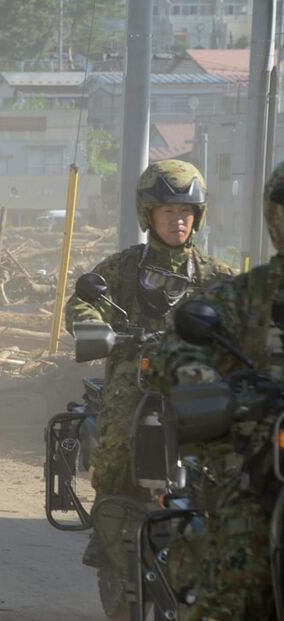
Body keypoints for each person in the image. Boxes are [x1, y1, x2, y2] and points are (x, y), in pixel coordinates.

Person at [64, 160, 234, 573]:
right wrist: (92, 323)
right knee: (118, 433)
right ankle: (105, 530)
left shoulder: (216, 275)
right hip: (136, 375)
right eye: (169, 212)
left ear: (198, 217)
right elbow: (84, 302)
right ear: (149, 215)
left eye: (186, 212)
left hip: (197, 380)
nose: (178, 221)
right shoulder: (124, 268)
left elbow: (249, 313)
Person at [148, 163, 284, 620]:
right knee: (239, 570)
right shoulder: (251, 295)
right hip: (261, 469)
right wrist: (201, 379)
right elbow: (177, 348)